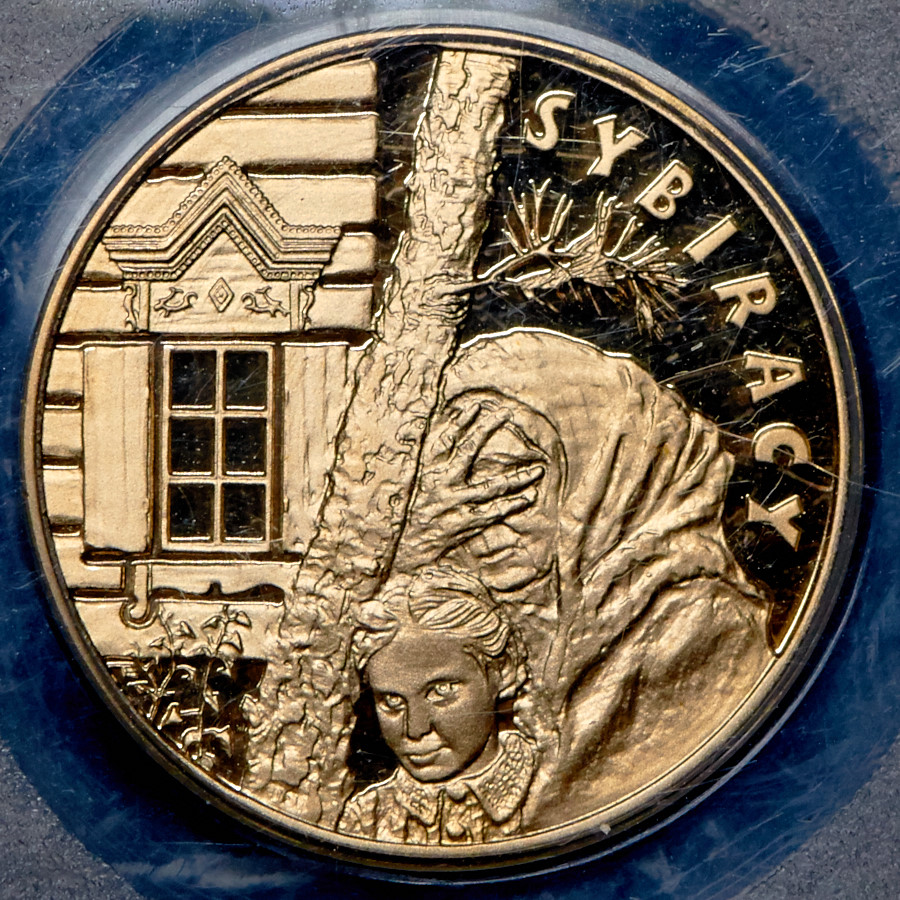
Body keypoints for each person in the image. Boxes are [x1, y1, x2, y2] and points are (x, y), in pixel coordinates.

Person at [394, 328, 771, 828]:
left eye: (518, 484)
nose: (484, 524)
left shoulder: (700, 624)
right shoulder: (464, 612)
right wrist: (408, 551)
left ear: (607, 478)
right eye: (461, 496)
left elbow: (561, 818)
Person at [336, 566, 537, 845]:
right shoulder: (363, 818)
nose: (415, 730)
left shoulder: (554, 787)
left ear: (504, 671)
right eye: (392, 701)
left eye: (441, 691)